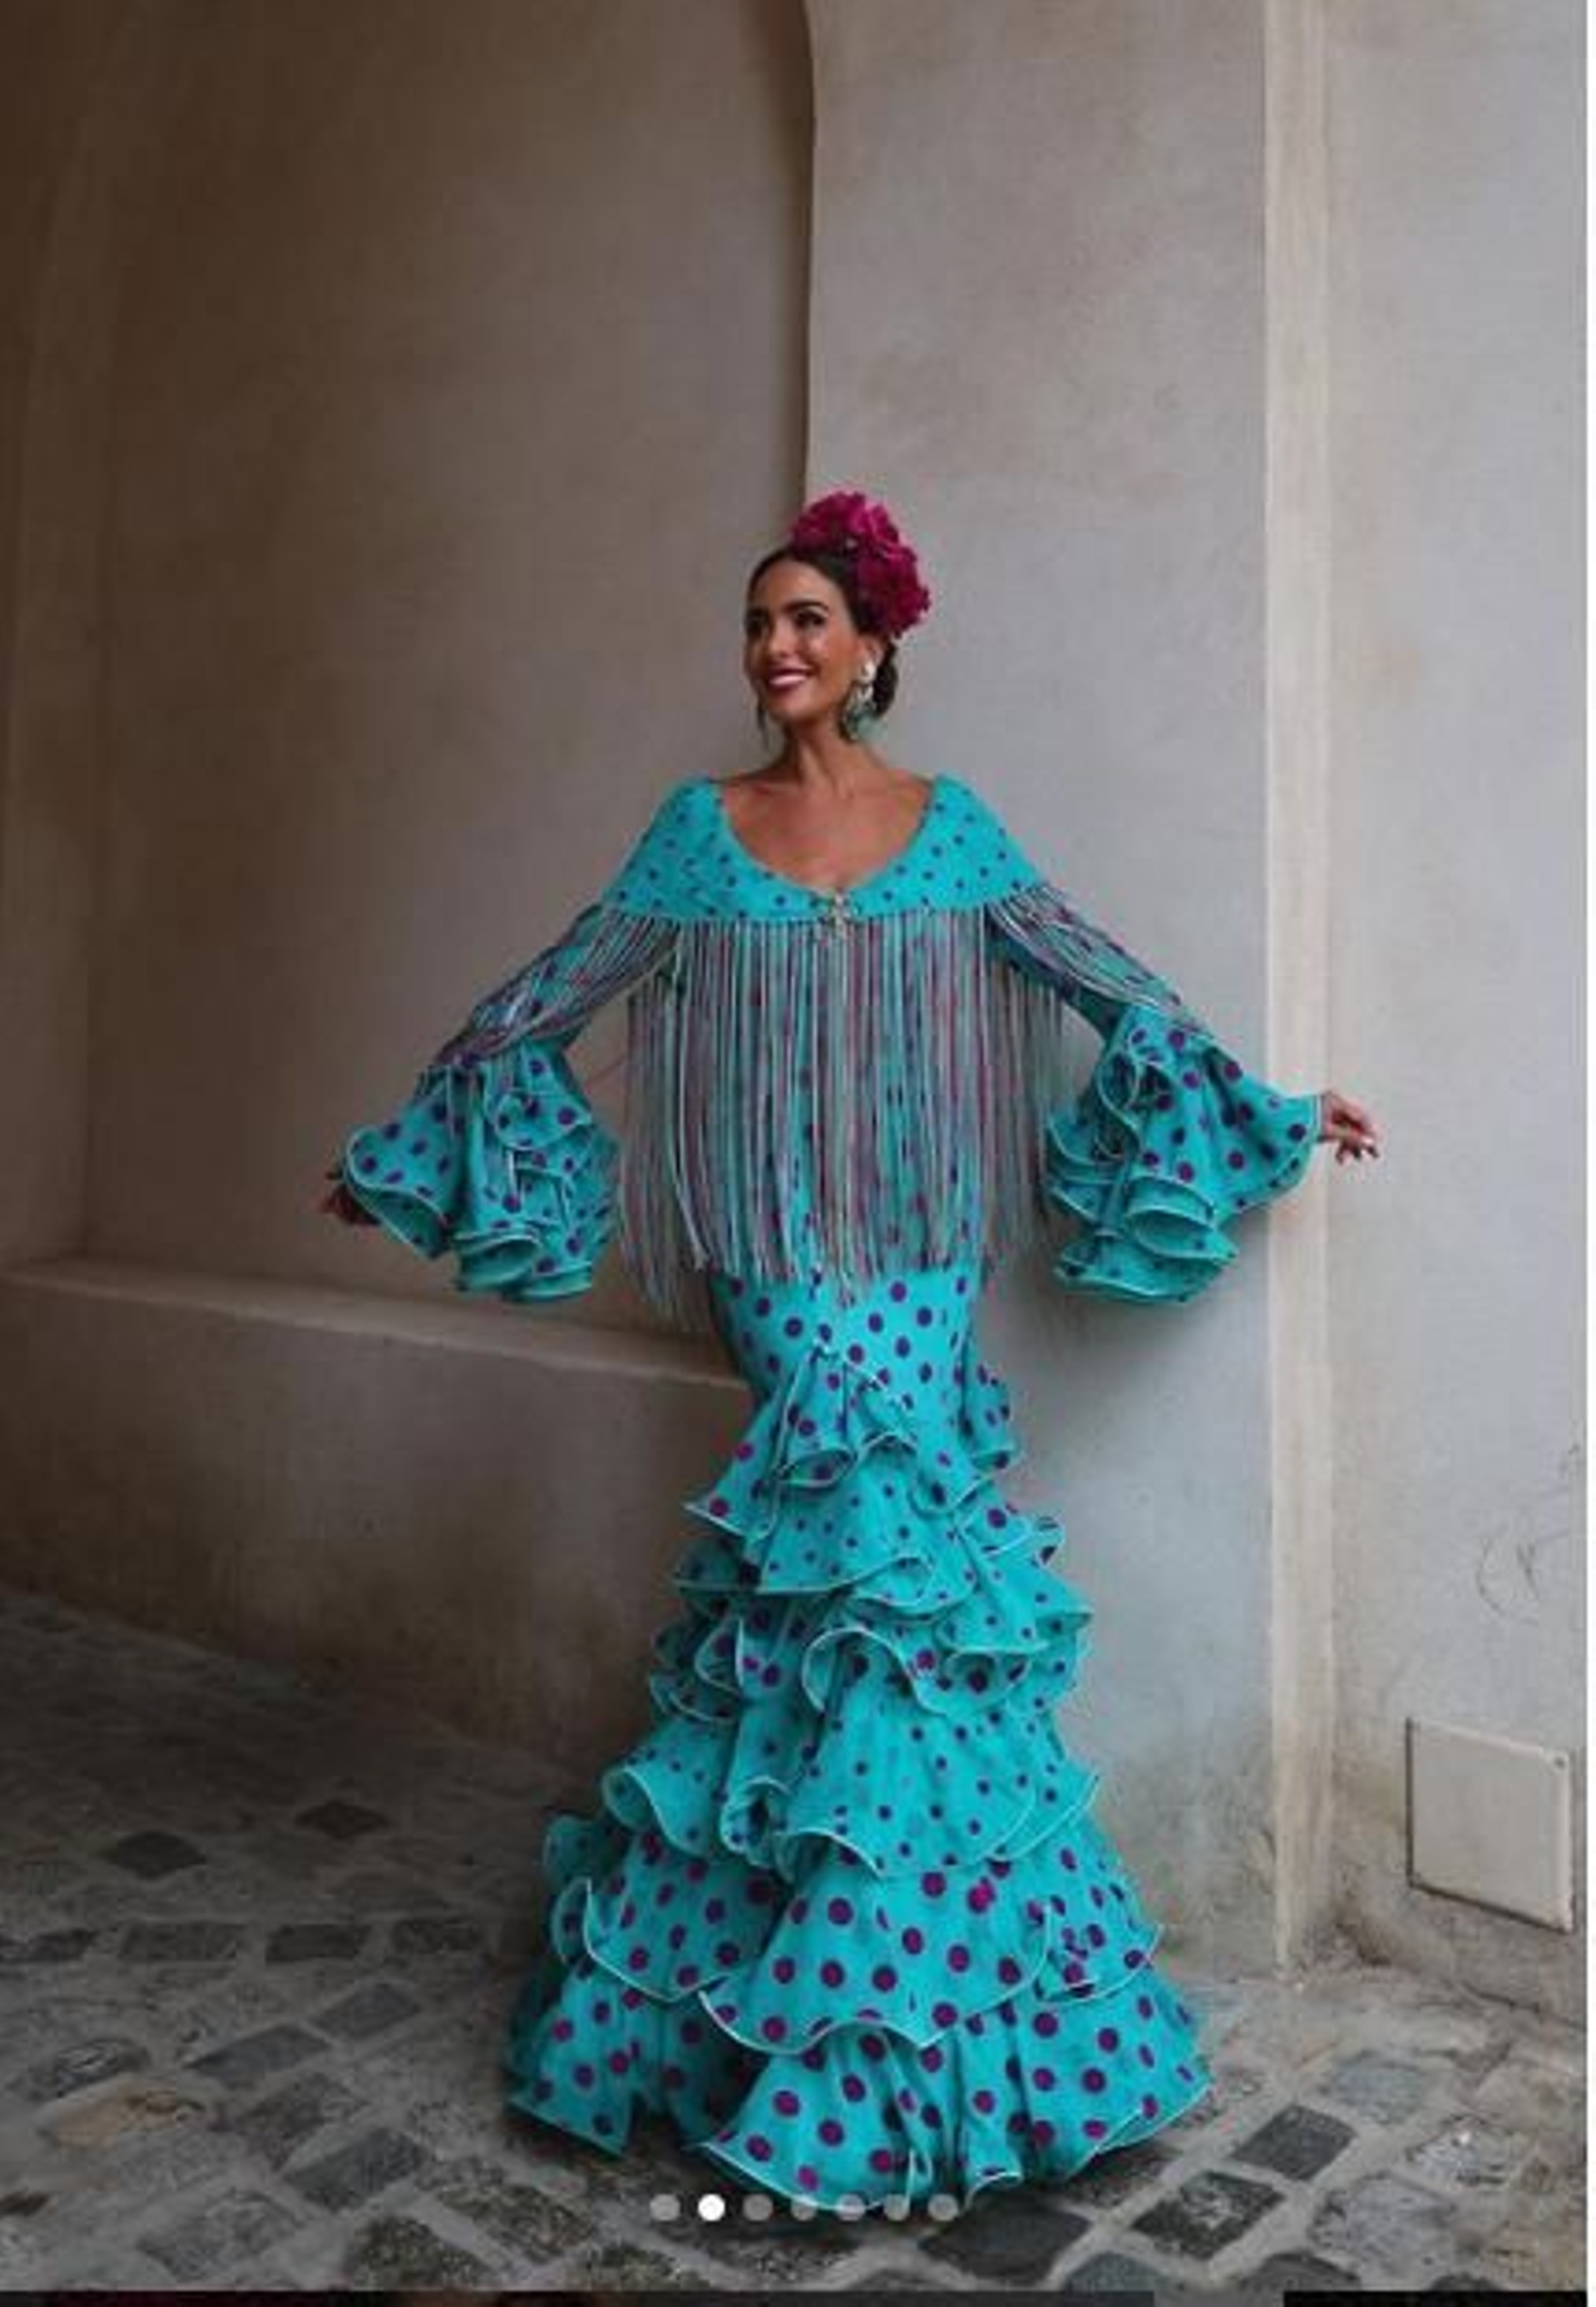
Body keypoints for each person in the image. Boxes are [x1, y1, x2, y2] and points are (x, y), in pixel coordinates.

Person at [321, 489, 1380, 2216]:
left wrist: (1266, 1102)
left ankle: (899, 2011)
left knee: (893, 1618)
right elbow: (554, 988)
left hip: (922, 1251)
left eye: (809, 618)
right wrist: (406, 1148)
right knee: (845, 1605)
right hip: (784, 1267)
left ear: (875, 646)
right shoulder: (697, 830)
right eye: (759, 623)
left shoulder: (953, 830)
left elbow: (1101, 977)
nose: (777, 648)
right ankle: (831, 2020)